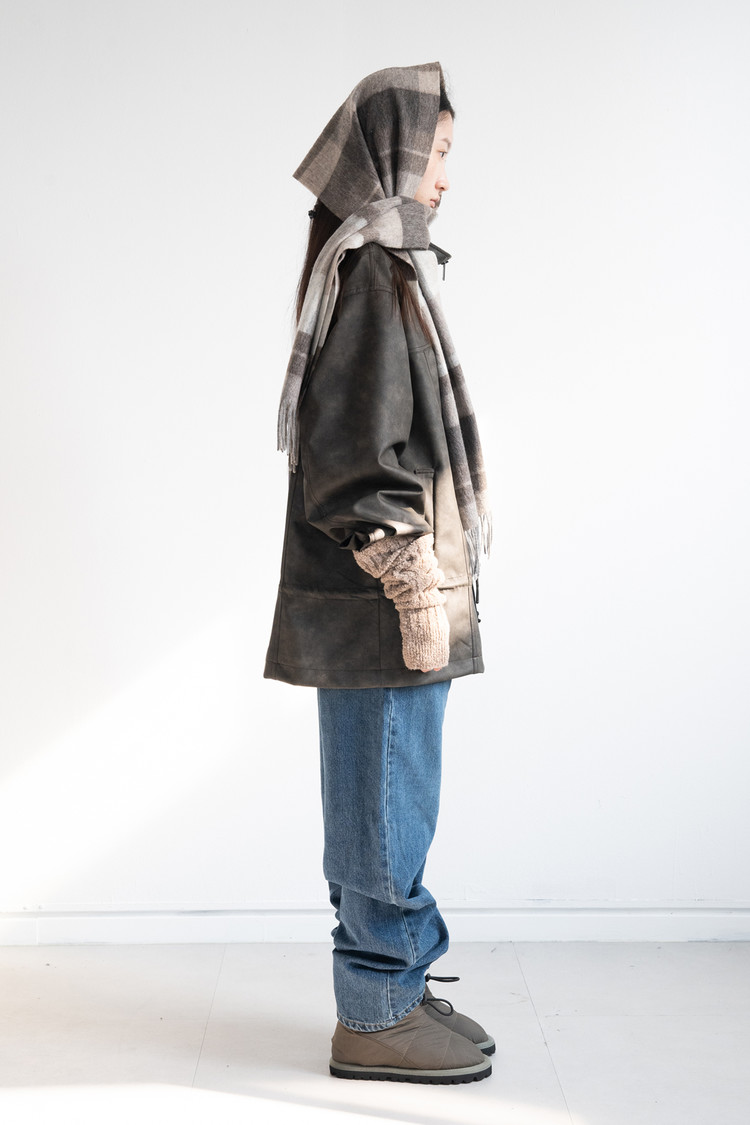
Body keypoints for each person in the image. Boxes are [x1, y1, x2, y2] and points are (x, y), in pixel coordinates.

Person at [265, 61, 492, 1084]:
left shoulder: (390, 267)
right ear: (390, 157)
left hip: (393, 603)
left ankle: (398, 981)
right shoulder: (369, 273)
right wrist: (411, 583)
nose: (444, 176)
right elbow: (353, 452)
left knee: (396, 799)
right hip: (381, 605)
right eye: (435, 153)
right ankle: (377, 1009)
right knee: (381, 809)